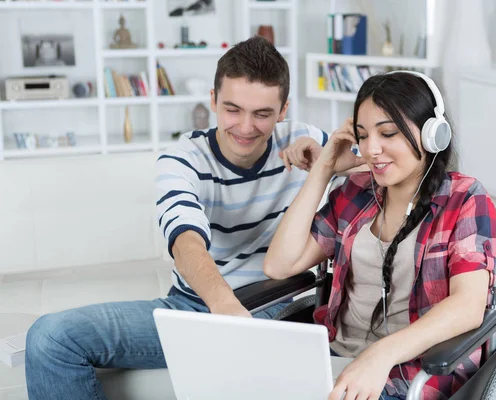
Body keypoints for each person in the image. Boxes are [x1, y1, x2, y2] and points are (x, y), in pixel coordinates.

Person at [25, 36, 330, 400]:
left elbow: (377, 163)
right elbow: (186, 241)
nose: (246, 127)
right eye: (232, 109)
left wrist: (328, 161)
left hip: (277, 308)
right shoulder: (182, 158)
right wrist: (223, 308)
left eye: (262, 114)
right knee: (50, 336)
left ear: (283, 110)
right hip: (197, 306)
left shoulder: (304, 139)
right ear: (213, 100)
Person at [264, 71, 496, 400]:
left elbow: (468, 306)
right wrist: (326, 165)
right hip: (335, 362)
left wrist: (380, 355)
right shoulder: (355, 193)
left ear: (433, 134)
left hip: (413, 373)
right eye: (362, 135)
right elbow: (279, 265)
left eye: (387, 133)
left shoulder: (464, 198)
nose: (372, 149)